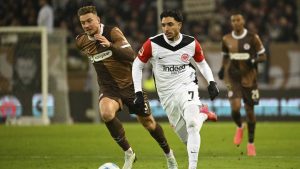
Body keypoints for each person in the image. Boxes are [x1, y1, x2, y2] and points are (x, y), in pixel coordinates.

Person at [75, 6, 178, 169]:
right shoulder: (81, 41)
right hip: (109, 89)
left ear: (98, 20)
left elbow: (131, 56)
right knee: (106, 113)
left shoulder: (112, 33)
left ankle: (169, 155)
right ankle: (129, 153)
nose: (86, 25)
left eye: (89, 21)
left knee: (149, 124)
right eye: (83, 23)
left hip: (130, 86)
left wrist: (110, 45)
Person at [132, 10, 219, 169]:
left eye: (170, 24)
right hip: (166, 94)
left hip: (187, 84)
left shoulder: (191, 43)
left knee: (191, 124)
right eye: (163, 25)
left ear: (179, 24)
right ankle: (203, 115)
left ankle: (192, 167)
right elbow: (137, 65)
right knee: (186, 137)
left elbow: (202, 63)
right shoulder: (152, 44)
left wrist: (211, 82)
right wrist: (138, 91)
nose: (166, 28)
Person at [217, 12, 267, 156]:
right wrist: (221, 69)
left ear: (243, 21)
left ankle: (251, 143)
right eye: (233, 20)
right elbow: (225, 56)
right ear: (231, 23)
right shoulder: (226, 39)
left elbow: (263, 56)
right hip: (233, 78)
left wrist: (254, 61)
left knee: (250, 112)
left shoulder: (253, 37)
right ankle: (240, 126)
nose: (236, 23)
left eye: (238, 20)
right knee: (235, 107)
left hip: (249, 79)